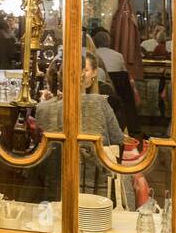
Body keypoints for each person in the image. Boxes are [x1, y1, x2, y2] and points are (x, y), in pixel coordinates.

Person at [35, 53, 125, 197]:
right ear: (83, 75)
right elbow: (118, 141)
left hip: (56, 187)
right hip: (95, 189)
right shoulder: (99, 103)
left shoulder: (43, 108)